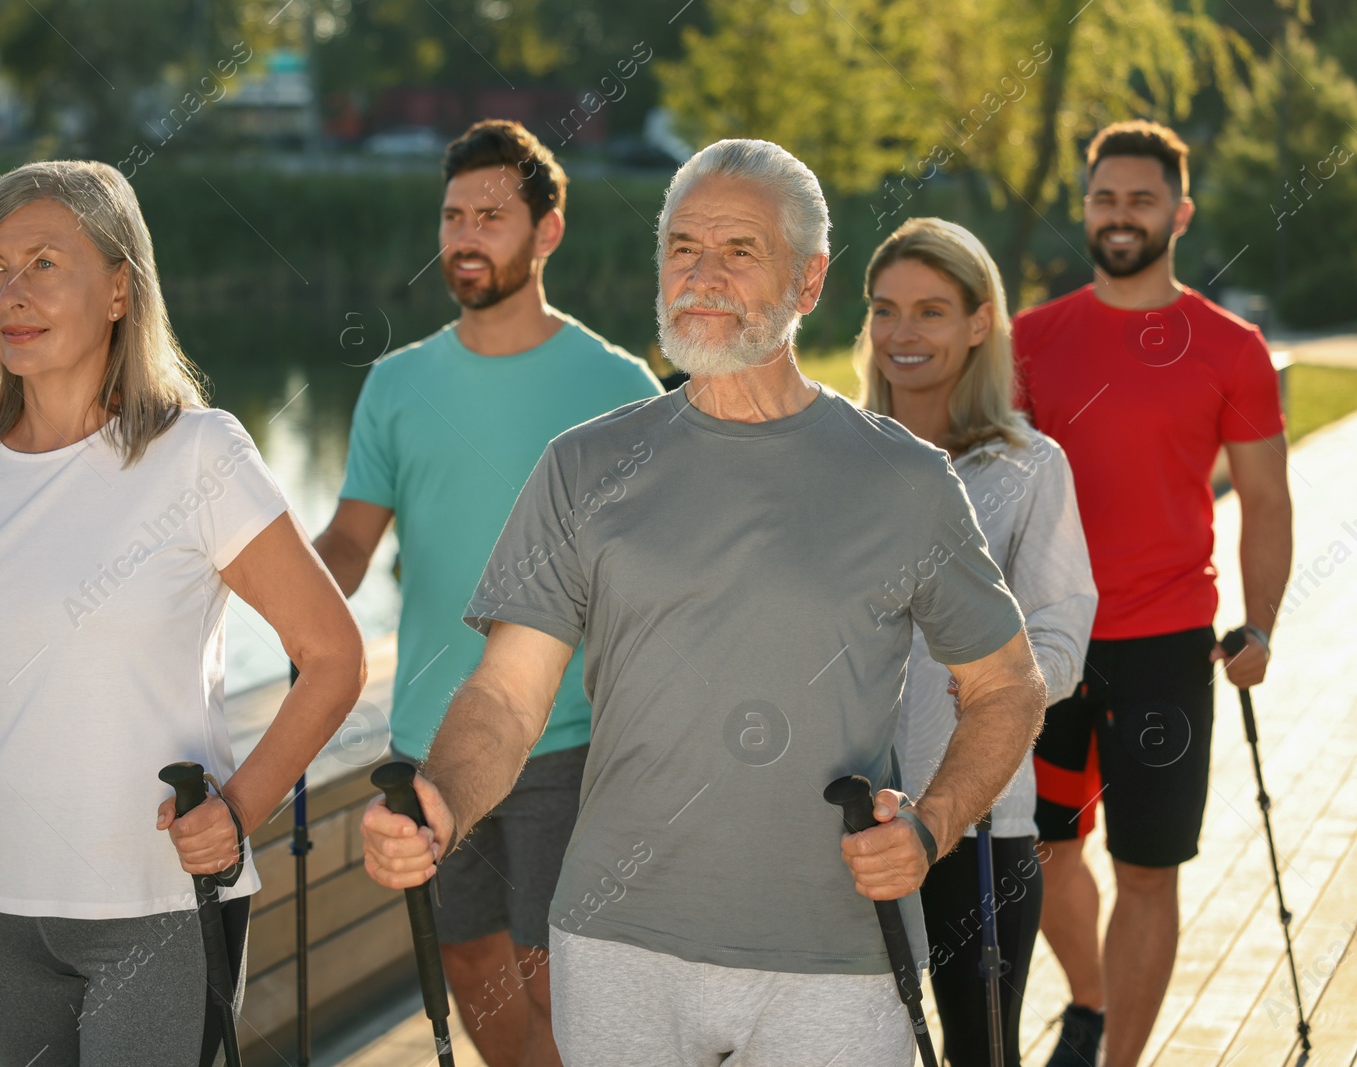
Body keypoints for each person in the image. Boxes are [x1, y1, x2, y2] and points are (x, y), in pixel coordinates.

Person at [361, 138, 1048, 1063]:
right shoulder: (583, 465)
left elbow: (1008, 687)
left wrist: (930, 827)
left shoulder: (906, 480)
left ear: (809, 282)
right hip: (616, 948)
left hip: (838, 957)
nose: (703, 274)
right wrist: (441, 795)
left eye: (739, 250)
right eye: (683, 247)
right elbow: (508, 694)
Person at [0, 160, 365, 1067]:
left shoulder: (197, 454)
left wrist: (239, 810)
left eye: (46, 261)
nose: (11, 292)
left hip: (159, 906)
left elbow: (332, 656)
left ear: (121, 288)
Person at [312, 120, 660, 1067]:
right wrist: (249, 607)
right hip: (426, 736)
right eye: (454, 215)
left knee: (562, 977)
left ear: (547, 232)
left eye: (492, 216)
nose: (466, 235)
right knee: (471, 965)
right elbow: (349, 539)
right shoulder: (396, 382)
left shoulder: (616, 383)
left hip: (567, 735)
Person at [1013, 120, 1293, 1067]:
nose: (1120, 215)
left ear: (1179, 212)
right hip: (1043, 641)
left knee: (1148, 869)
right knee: (1044, 854)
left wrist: (1260, 622)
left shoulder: (1231, 348)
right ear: (1082, 208)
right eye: (1104, 198)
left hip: (1168, 646)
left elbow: (1265, 498)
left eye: (1140, 199)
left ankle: (1118, 1058)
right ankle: (1089, 999)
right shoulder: (1028, 341)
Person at [856, 217, 1096, 1066]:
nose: (903, 334)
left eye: (930, 310)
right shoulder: (838, 461)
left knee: (980, 1052)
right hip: (846, 815)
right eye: (885, 310)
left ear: (978, 322)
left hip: (981, 818)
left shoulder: (1030, 469)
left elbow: (1065, 626)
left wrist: (1009, 683)